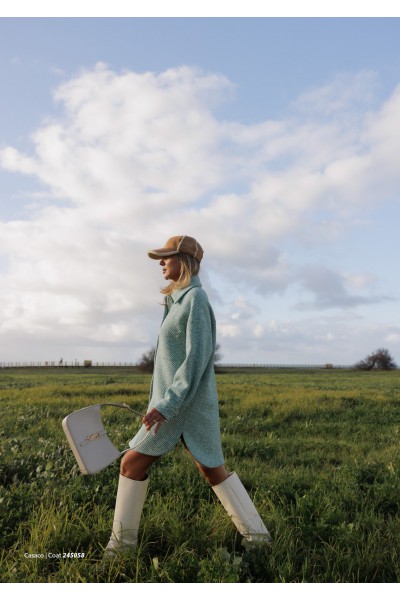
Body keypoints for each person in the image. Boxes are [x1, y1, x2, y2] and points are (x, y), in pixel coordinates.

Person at [104, 235, 272, 557]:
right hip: (177, 405)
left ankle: (120, 549)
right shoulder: (176, 301)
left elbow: (195, 360)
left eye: (167, 256)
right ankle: (259, 539)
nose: (161, 262)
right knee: (211, 470)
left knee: (130, 464)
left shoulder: (196, 300)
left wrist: (166, 406)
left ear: (186, 260)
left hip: (183, 406)